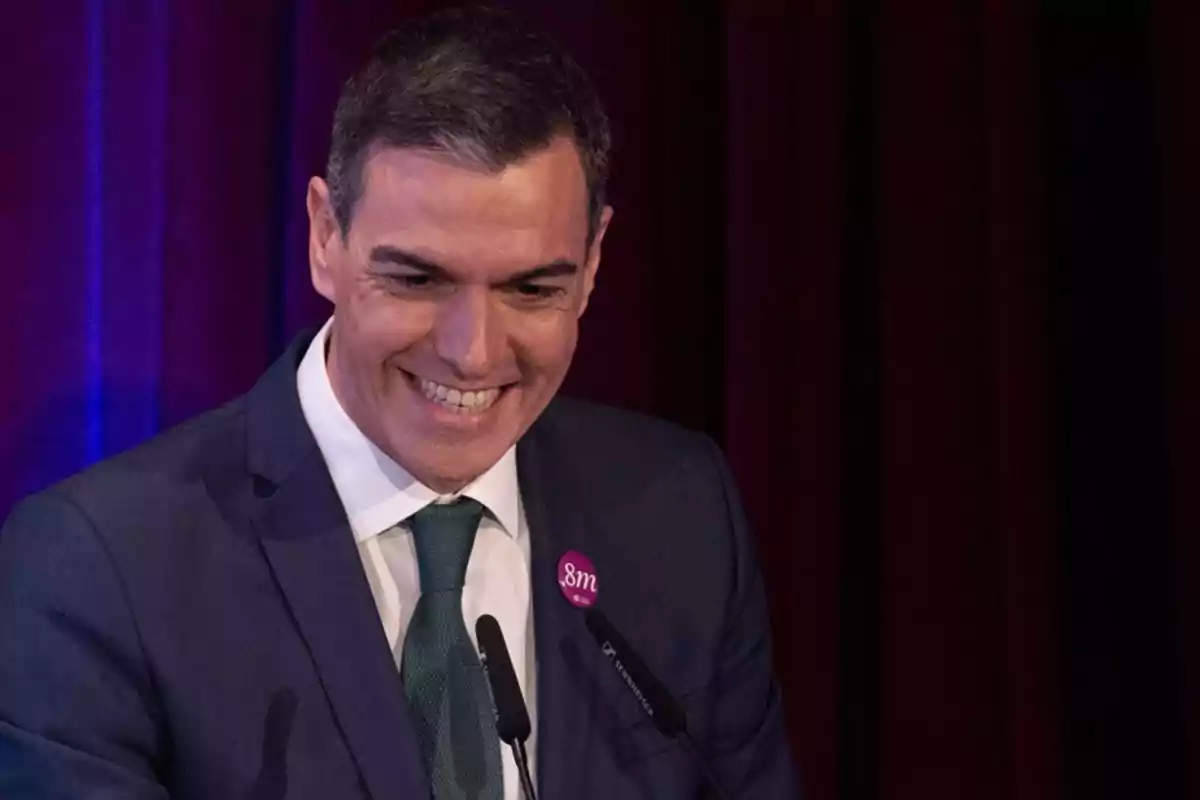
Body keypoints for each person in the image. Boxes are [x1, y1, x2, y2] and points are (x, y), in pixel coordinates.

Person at [0, 7, 798, 798]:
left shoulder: (680, 517)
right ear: (323, 236)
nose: (474, 351)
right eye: (418, 279)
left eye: (532, 288)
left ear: (592, 264)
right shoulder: (99, 570)